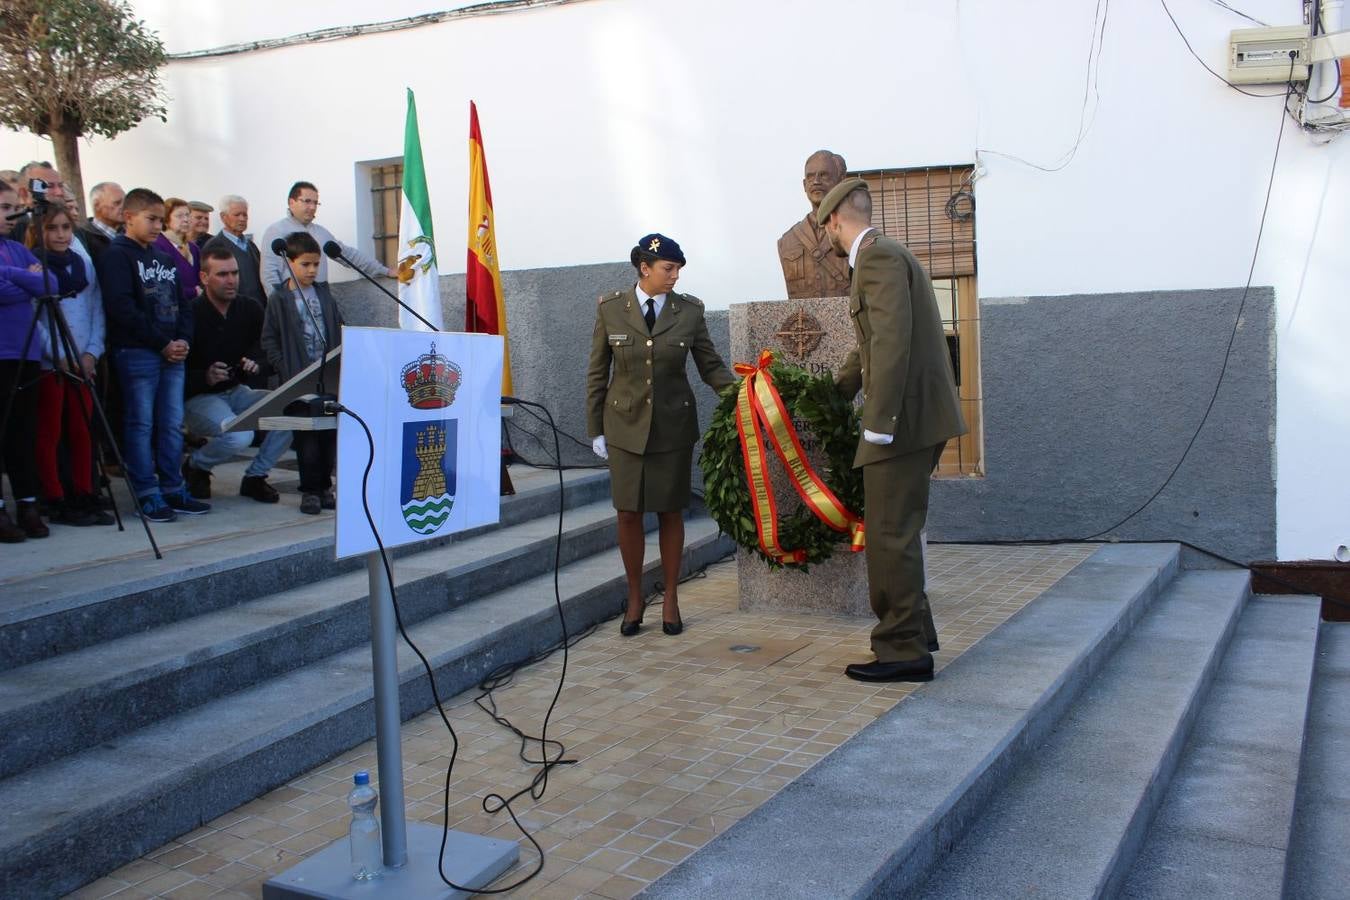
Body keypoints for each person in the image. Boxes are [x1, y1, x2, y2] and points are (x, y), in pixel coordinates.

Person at [817, 178, 966, 683]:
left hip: (900, 421)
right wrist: (835, 390)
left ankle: (902, 650)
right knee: (896, 529)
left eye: (828, 229)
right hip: (915, 415)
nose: (831, 240)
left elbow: (891, 342)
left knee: (888, 534)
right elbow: (869, 343)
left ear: (837, 219)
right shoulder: (887, 253)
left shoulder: (875, 258)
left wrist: (879, 421)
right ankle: (915, 633)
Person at [586, 233, 735, 636]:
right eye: (668, 269)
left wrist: (746, 396)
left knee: (671, 511)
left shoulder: (689, 312)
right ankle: (635, 597)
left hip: (672, 427)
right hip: (624, 428)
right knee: (628, 513)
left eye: (678, 269)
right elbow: (598, 373)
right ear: (644, 268)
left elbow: (711, 367)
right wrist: (595, 427)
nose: (675, 276)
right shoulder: (612, 310)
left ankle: (670, 596)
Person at [98, 187, 209, 522]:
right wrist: (161, 342)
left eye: (162, 219)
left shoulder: (162, 257)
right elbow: (122, 307)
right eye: (151, 219)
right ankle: (146, 492)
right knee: (141, 423)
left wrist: (183, 340)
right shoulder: (117, 255)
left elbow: (184, 305)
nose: (158, 226)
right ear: (128, 217)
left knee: (172, 424)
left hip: (172, 353)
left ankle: (174, 488)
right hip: (138, 352)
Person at [183, 247, 291, 503]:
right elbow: (174, 370)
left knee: (292, 410)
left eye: (234, 273)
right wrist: (205, 376)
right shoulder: (190, 313)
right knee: (239, 436)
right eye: (222, 274)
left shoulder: (249, 308)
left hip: (237, 391)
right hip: (199, 398)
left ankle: (256, 476)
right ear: (204, 277)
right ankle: (197, 466)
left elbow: (270, 351)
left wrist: (257, 365)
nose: (231, 280)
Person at [26, 205, 112, 526]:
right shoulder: (34, 266)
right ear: (41, 232)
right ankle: (54, 495)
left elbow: (95, 310)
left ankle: (84, 491)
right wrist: (58, 355)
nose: (61, 235)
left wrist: (91, 352)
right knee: (50, 432)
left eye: (66, 228)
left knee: (82, 431)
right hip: (53, 364)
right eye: (52, 228)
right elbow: (36, 321)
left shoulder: (83, 266)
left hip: (82, 362)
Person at [261, 231, 342, 515]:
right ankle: (309, 490)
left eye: (316, 264)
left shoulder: (323, 293)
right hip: (299, 378)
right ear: (289, 262)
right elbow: (269, 339)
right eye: (305, 264)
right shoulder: (280, 298)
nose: (311, 270)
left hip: (327, 376)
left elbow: (338, 325)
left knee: (328, 437)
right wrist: (284, 367)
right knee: (306, 440)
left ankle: (324, 487)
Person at [0, 179, 53, 540]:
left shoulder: (18, 249)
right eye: (4, 209)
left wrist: (9, 275)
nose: (12, 215)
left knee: (23, 432)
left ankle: (28, 503)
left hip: (26, 353)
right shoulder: (20, 259)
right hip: (0, 355)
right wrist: (24, 280)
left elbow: (48, 282)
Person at [259, 181, 395, 292]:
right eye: (307, 201)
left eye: (315, 203)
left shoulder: (321, 233)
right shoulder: (276, 231)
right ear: (291, 202)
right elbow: (269, 276)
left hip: (319, 301)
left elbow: (348, 255)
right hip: (290, 304)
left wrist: (385, 271)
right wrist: (280, 307)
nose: (312, 207)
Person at [778, 150, 853, 300]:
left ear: (841, 181)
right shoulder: (787, 241)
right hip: (802, 322)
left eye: (824, 175)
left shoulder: (856, 234)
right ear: (804, 185)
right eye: (810, 176)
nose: (816, 181)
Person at [202, 195, 266, 311]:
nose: (242, 219)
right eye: (237, 215)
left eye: (245, 214)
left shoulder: (251, 246)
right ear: (223, 217)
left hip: (257, 311)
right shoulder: (215, 246)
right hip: (232, 312)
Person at [153, 198, 201, 303]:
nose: (186, 219)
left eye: (188, 215)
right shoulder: (158, 245)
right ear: (166, 220)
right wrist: (192, 292)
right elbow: (160, 284)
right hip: (171, 307)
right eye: (179, 216)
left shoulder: (193, 248)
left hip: (196, 307)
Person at [79, 182, 125, 260]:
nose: (124, 207)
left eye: (125, 202)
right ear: (97, 205)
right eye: (117, 203)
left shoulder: (130, 234)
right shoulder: (82, 238)